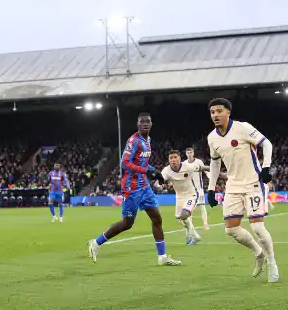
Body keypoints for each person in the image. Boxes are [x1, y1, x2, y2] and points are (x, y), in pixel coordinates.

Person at [88, 113, 180, 266]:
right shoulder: (134, 141)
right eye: (142, 122)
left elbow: (143, 163)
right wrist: (146, 171)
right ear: (137, 125)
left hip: (144, 186)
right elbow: (125, 163)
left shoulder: (147, 141)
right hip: (131, 188)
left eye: (148, 122)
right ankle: (96, 243)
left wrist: (155, 173)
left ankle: (162, 257)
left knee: (157, 218)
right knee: (127, 223)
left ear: (151, 124)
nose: (145, 124)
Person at [205, 98, 277, 282]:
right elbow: (215, 163)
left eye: (219, 111)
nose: (215, 115)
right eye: (212, 112)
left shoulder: (243, 127)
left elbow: (266, 144)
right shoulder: (212, 138)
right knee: (231, 230)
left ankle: (272, 263)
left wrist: (266, 167)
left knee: (258, 228)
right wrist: (211, 188)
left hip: (253, 183)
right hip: (233, 186)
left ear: (228, 112)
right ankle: (258, 252)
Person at [161, 150, 204, 244]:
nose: (173, 160)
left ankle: (192, 234)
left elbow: (204, 168)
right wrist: (163, 185)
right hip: (179, 196)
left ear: (179, 158)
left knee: (184, 215)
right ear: (168, 160)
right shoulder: (166, 171)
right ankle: (193, 235)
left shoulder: (188, 167)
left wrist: (219, 173)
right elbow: (162, 181)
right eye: (171, 158)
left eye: (175, 157)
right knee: (179, 217)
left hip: (191, 195)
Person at [182, 147, 211, 229]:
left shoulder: (199, 162)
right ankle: (191, 226)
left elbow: (206, 170)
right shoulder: (184, 163)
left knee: (202, 206)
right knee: (189, 209)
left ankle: (205, 223)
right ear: (186, 154)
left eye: (190, 152)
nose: (189, 154)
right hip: (189, 190)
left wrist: (209, 177)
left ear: (193, 153)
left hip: (199, 189)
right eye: (188, 153)